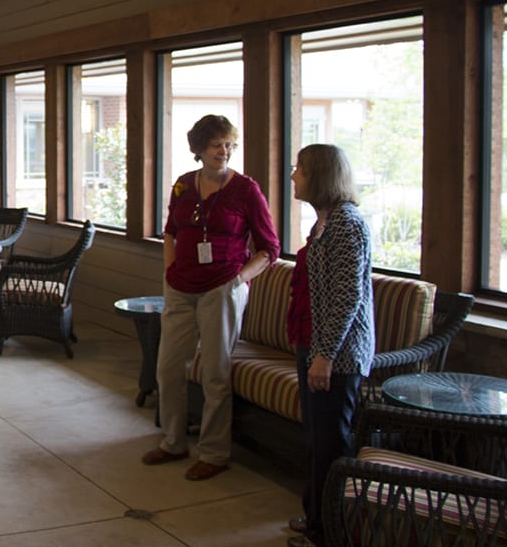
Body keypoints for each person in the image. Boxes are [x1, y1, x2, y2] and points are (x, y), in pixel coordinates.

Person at [142, 114, 279, 481]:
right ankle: (173, 442)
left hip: (221, 288)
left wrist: (238, 280)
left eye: (229, 144)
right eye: (217, 144)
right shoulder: (184, 186)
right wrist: (170, 270)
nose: (224, 151)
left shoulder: (246, 189)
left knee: (216, 373)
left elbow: (269, 248)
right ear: (199, 149)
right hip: (180, 286)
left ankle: (214, 453)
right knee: (169, 367)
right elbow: (170, 231)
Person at [285, 144, 374, 547]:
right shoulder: (323, 222)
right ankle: (315, 517)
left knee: (332, 444)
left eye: (299, 169)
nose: (293, 176)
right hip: (316, 346)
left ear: (319, 175)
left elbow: (345, 297)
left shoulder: (347, 224)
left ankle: (332, 532)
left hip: (338, 355)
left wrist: (324, 356)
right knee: (316, 440)